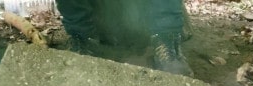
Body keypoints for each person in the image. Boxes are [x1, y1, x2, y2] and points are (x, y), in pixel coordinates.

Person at [54, 0, 193, 77]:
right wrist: (80, 30)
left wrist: (167, 29)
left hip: (149, 15)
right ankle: (83, 41)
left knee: (165, 37)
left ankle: (166, 42)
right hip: (98, 16)